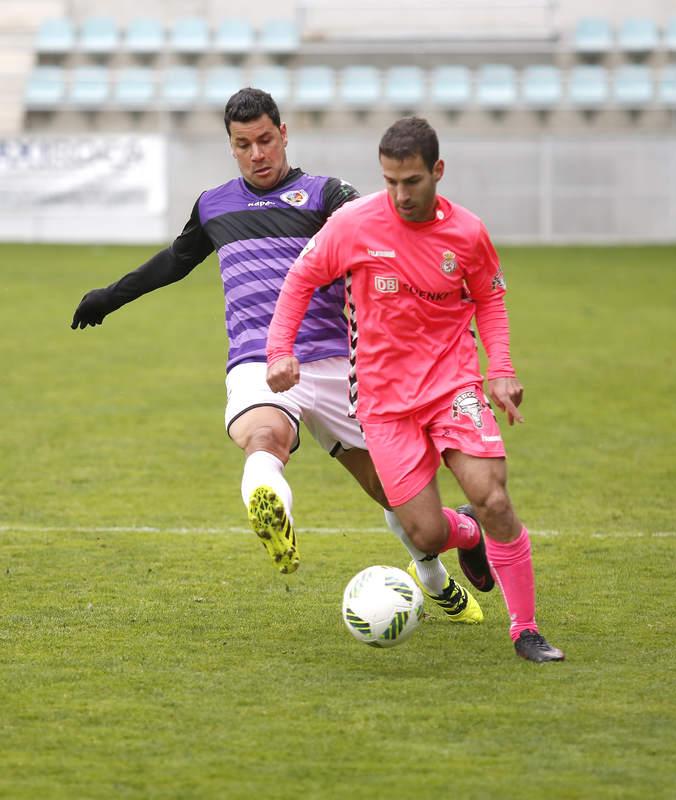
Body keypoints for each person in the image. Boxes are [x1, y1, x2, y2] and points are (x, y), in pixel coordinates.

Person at [70, 89, 488, 624]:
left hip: (338, 363)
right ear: (231, 146)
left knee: (395, 492)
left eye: (265, 140)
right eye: (243, 145)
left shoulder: (326, 196)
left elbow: (385, 233)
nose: (257, 154)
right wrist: (111, 296)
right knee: (263, 437)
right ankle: (273, 515)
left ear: (284, 133)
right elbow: (174, 262)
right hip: (259, 361)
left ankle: (433, 576)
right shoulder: (214, 205)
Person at [266, 116, 565, 662]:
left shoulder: (468, 233)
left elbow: (489, 300)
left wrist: (499, 367)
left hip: (453, 384)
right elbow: (301, 279)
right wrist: (279, 351)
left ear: (437, 172)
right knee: (425, 535)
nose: (400, 194)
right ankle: (468, 535)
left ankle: (525, 629)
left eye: (412, 181)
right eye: (390, 181)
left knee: (492, 495)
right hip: (382, 403)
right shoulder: (352, 224)